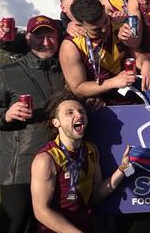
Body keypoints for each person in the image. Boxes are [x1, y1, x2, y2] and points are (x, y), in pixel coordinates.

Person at [0, 16, 65, 233]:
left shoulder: (66, 68)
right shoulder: (7, 72)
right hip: (20, 168)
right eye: (39, 36)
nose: (46, 42)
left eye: (50, 36)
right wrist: (4, 114)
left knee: (48, 225)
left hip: (60, 162)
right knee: (14, 226)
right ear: (28, 38)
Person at [30, 92, 132, 232]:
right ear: (56, 122)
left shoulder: (90, 149)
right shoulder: (46, 159)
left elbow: (96, 195)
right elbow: (41, 211)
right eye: (69, 113)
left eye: (81, 111)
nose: (78, 115)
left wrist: (123, 169)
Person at [59, 0, 138, 105]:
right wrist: (113, 82)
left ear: (103, 7)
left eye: (105, 21)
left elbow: (139, 53)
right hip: (103, 107)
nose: (104, 29)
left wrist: (146, 63)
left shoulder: (119, 23)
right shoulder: (71, 46)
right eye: (96, 29)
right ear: (79, 23)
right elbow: (78, 88)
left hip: (138, 97)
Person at [0, 0, 87, 55]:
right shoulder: (58, 27)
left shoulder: (101, 21)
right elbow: (28, 40)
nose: (80, 7)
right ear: (63, 8)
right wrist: (4, 40)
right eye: (74, 5)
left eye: (85, 2)